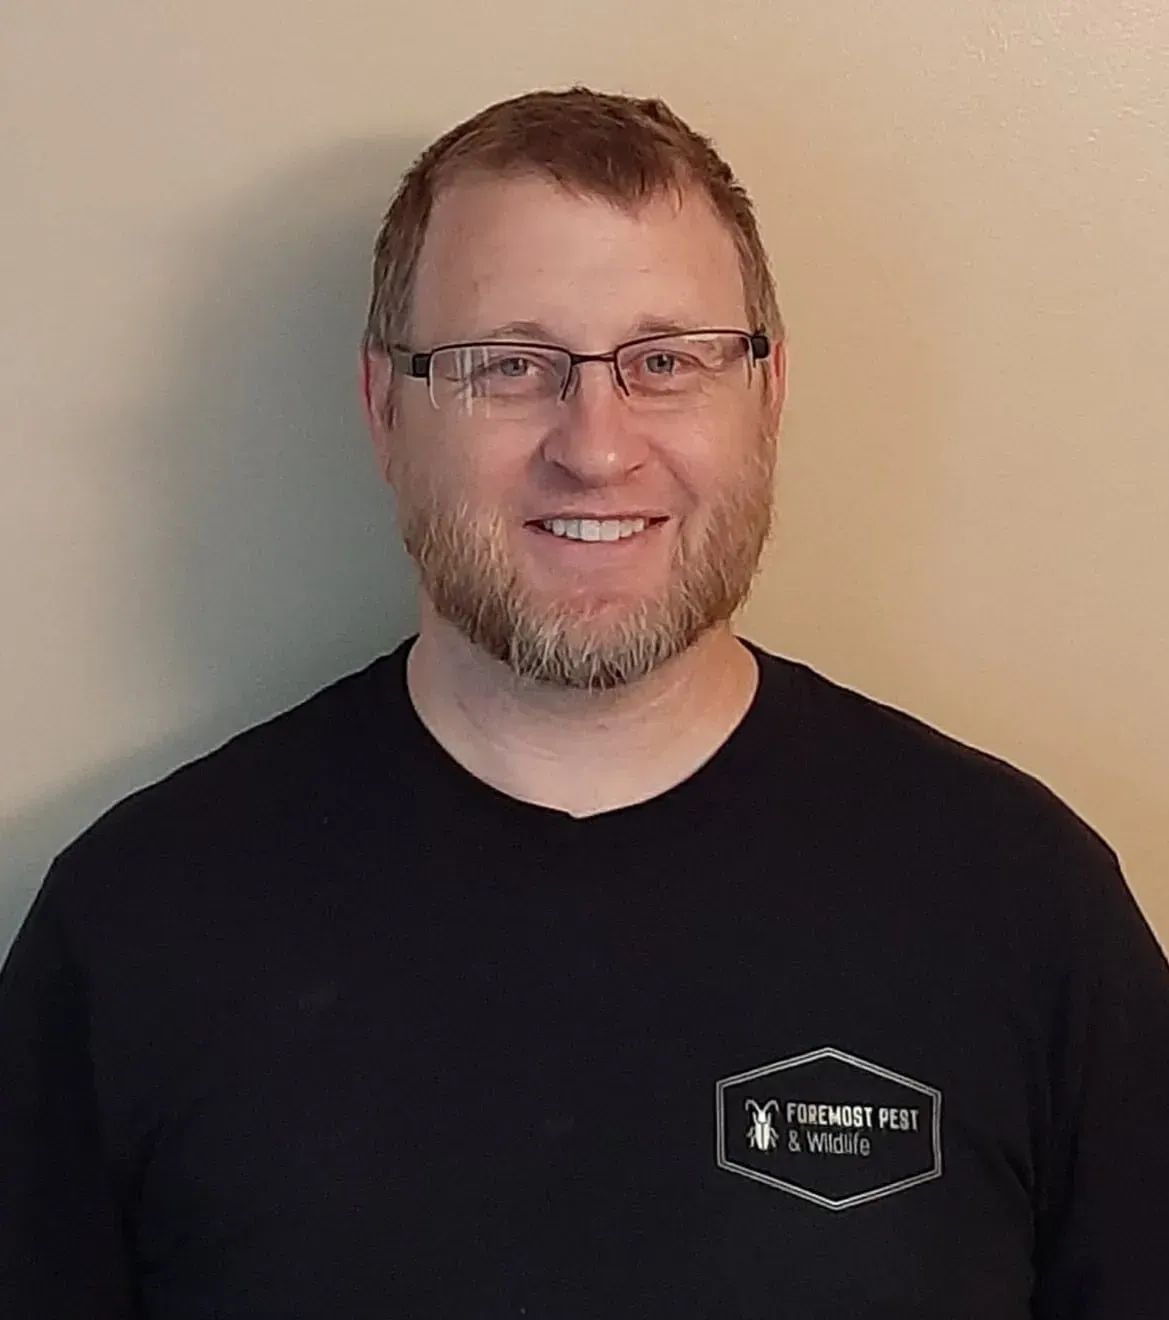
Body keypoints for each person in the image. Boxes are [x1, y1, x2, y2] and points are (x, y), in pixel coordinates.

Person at [1, 86, 1166, 1320]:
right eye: (509, 366)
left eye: (666, 362)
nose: (596, 447)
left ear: (764, 401)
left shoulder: (1019, 902)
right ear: (384, 410)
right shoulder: (137, 926)